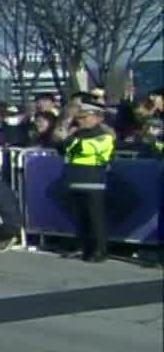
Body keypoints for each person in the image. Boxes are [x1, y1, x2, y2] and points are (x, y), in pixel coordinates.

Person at [59, 99, 115, 262]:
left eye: (85, 117)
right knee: (81, 218)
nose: (80, 120)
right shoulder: (76, 134)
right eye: (80, 117)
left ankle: (99, 251)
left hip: (93, 181)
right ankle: (83, 248)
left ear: (97, 118)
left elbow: (86, 149)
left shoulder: (104, 136)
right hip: (75, 180)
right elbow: (62, 148)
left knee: (95, 219)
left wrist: (69, 142)